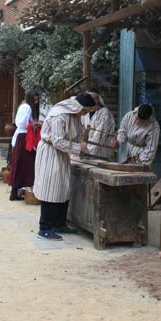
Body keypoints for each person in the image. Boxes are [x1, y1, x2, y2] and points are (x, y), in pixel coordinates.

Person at [33, 93, 95, 240]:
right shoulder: (59, 115)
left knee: (63, 187)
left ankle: (59, 223)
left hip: (61, 154)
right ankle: (45, 228)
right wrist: (79, 147)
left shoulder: (75, 116)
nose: (84, 114)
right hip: (50, 152)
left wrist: (82, 146)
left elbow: (77, 135)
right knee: (50, 188)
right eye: (84, 111)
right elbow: (58, 141)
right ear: (78, 107)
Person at [8, 90, 40, 200]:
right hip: (24, 138)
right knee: (23, 164)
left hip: (24, 137)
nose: (36, 102)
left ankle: (16, 191)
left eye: (37, 100)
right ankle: (16, 191)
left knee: (21, 164)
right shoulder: (27, 107)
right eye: (34, 99)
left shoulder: (24, 106)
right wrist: (34, 124)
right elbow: (22, 123)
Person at [81, 91, 116, 159]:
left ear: (97, 101)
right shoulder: (86, 113)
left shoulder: (104, 113)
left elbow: (99, 134)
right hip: (87, 149)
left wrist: (88, 151)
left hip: (100, 149)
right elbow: (82, 130)